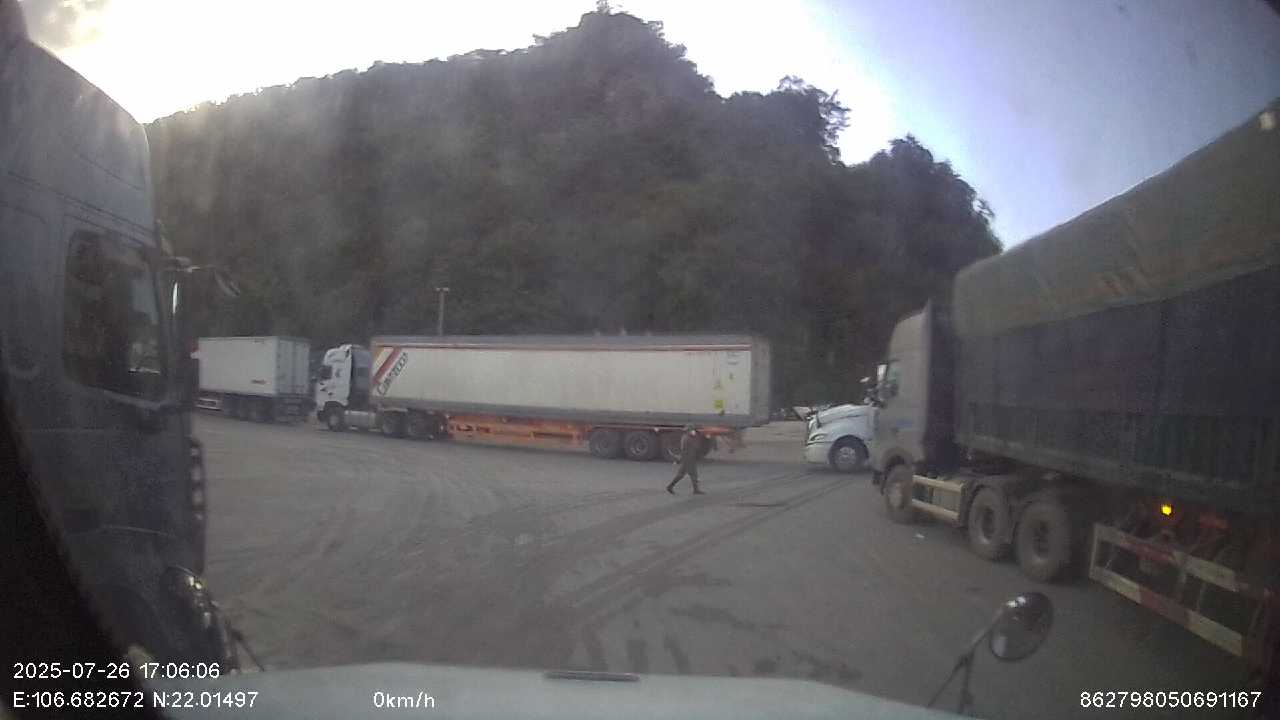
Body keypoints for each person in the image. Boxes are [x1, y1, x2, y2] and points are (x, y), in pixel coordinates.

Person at [666, 425, 705, 495]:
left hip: (688, 458)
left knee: (683, 474)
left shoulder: (687, 437)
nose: (694, 431)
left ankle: (670, 486)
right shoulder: (688, 439)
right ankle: (695, 490)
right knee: (691, 474)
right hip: (688, 459)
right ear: (689, 431)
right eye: (693, 430)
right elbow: (694, 447)